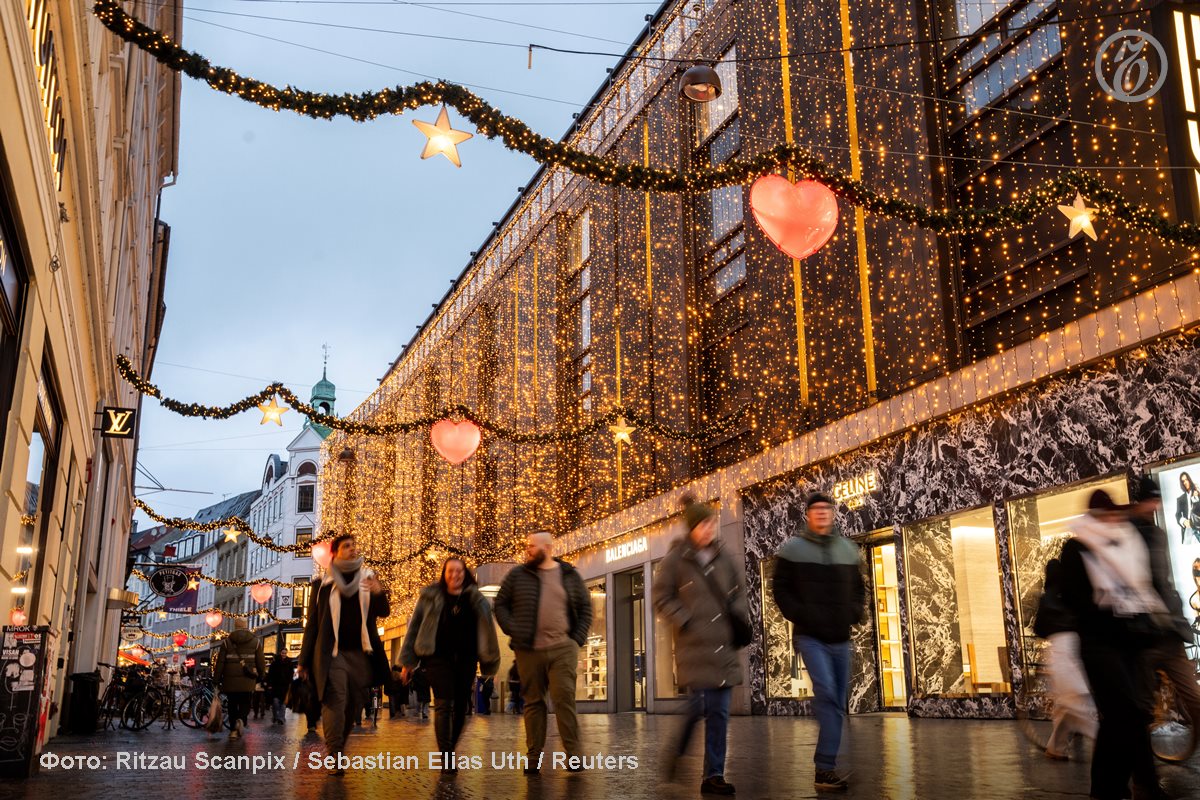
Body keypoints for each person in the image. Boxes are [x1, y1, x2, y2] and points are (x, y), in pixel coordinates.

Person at [1059, 489, 1171, 800]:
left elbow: (1144, 583)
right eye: (1105, 515)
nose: (1111, 519)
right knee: (1130, 713)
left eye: (1113, 513)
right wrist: (1111, 608)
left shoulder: (1124, 542)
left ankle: (1105, 788)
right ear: (1094, 517)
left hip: (1129, 643)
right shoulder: (1077, 548)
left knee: (1117, 718)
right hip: (1099, 645)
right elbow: (1076, 599)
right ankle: (1146, 785)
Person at [654, 499, 750, 796]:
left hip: (722, 646)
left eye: (711, 523)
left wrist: (737, 614)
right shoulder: (676, 560)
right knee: (698, 708)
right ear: (692, 528)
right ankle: (677, 753)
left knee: (720, 712)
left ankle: (714, 774)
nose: (709, 529)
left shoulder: (724, 557)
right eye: (703, 524)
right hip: (694, 645)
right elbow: (661, 596)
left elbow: (739, 592)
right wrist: (684, 619)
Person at [772, 492, 866, 792]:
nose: (822, 513)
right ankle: (825, 766)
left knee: (837, 702)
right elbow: (781, 589)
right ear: (808, 515)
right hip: (809, 636)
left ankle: (824, 770)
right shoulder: (792, 549)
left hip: (840, 636)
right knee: (825, 692)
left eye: (827, 509)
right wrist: (800, 614)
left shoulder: (847, 549)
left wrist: (854, 612)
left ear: (833, 514)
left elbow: (859, 589)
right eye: (816, 509)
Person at [494, 531, 593, 775]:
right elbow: (500, 604)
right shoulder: (518, 574)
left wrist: (575, 640)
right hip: (528, 650)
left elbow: (585, 607)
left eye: (531, 546)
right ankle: (533, 757)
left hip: (562, 648)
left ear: (547, 547)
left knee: (564, 699)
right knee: (533, 703)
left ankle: (574, 756)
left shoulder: (568, 574)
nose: (527, 549)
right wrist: (514, 630)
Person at [298, 533, 391, 776]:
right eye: (346, 546)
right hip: (332, 654)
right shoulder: (322, 585)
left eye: (353, 546)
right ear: (336, 553)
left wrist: (379, 591)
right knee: (336, 701)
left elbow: (384, 612)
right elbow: (313, 626)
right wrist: (303, 660)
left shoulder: (368, 578)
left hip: (361, 654)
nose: (352, 549)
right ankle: (335, 754)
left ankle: (339, 746)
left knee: (353, 705)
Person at [400, 557, 500, 775]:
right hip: (437, 659)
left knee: (462, 707)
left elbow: (488, 634)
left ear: (466, 574)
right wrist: (408, 663)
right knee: (444, 705)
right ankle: (446, 757)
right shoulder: (430, 596)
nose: (455, 575)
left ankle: (450, 748)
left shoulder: (476, 600)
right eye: (450, 571)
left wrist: (489, 665)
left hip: (466, 660)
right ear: (444, 573)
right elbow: (414, 628)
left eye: (459, 571)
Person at [1129, 477, 1200, 752]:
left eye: (1156, 499)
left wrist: (1175, 616)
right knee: (1143, 707)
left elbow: (1164, 581)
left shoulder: (1155, 532)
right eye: (1150, 499)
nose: (1154, 505)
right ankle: (1142, 780)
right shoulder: (1128, 533)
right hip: (1144, 635)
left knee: (1193, 698)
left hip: (1168, 631)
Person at [1034, 557, 1097, 760]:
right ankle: (1109, 747)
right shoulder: (1074, 596)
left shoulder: (1047, 598)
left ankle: (1055, 748)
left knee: (1068, 706)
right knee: (1079, 705)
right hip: (1073, 651)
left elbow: (1039, 629)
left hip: (1058, 652)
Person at [213, 617, 265, 740]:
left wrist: (216, 679)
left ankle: (233, 731)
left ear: (235, 626)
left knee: (232, 704)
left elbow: (220, 663)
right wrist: (260, 676)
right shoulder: (256, 642)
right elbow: (261, 662)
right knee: (245, 702)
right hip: (248, 680)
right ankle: (241, 719)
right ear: (246, 625)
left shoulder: (227, 642)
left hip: (229, 680)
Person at [266, 652, 294, 725]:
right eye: (282, 653)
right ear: (280, 653)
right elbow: (270, 674)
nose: (284, 654)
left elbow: (291, 674)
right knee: (275, 702)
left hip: (285, 686)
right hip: (276, 686)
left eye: (285, 653)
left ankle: (281, 718)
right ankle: (275, 716)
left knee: (283, 703)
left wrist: (290, 684)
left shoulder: (289, 663)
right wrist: (269, 684)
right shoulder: (275, 663)